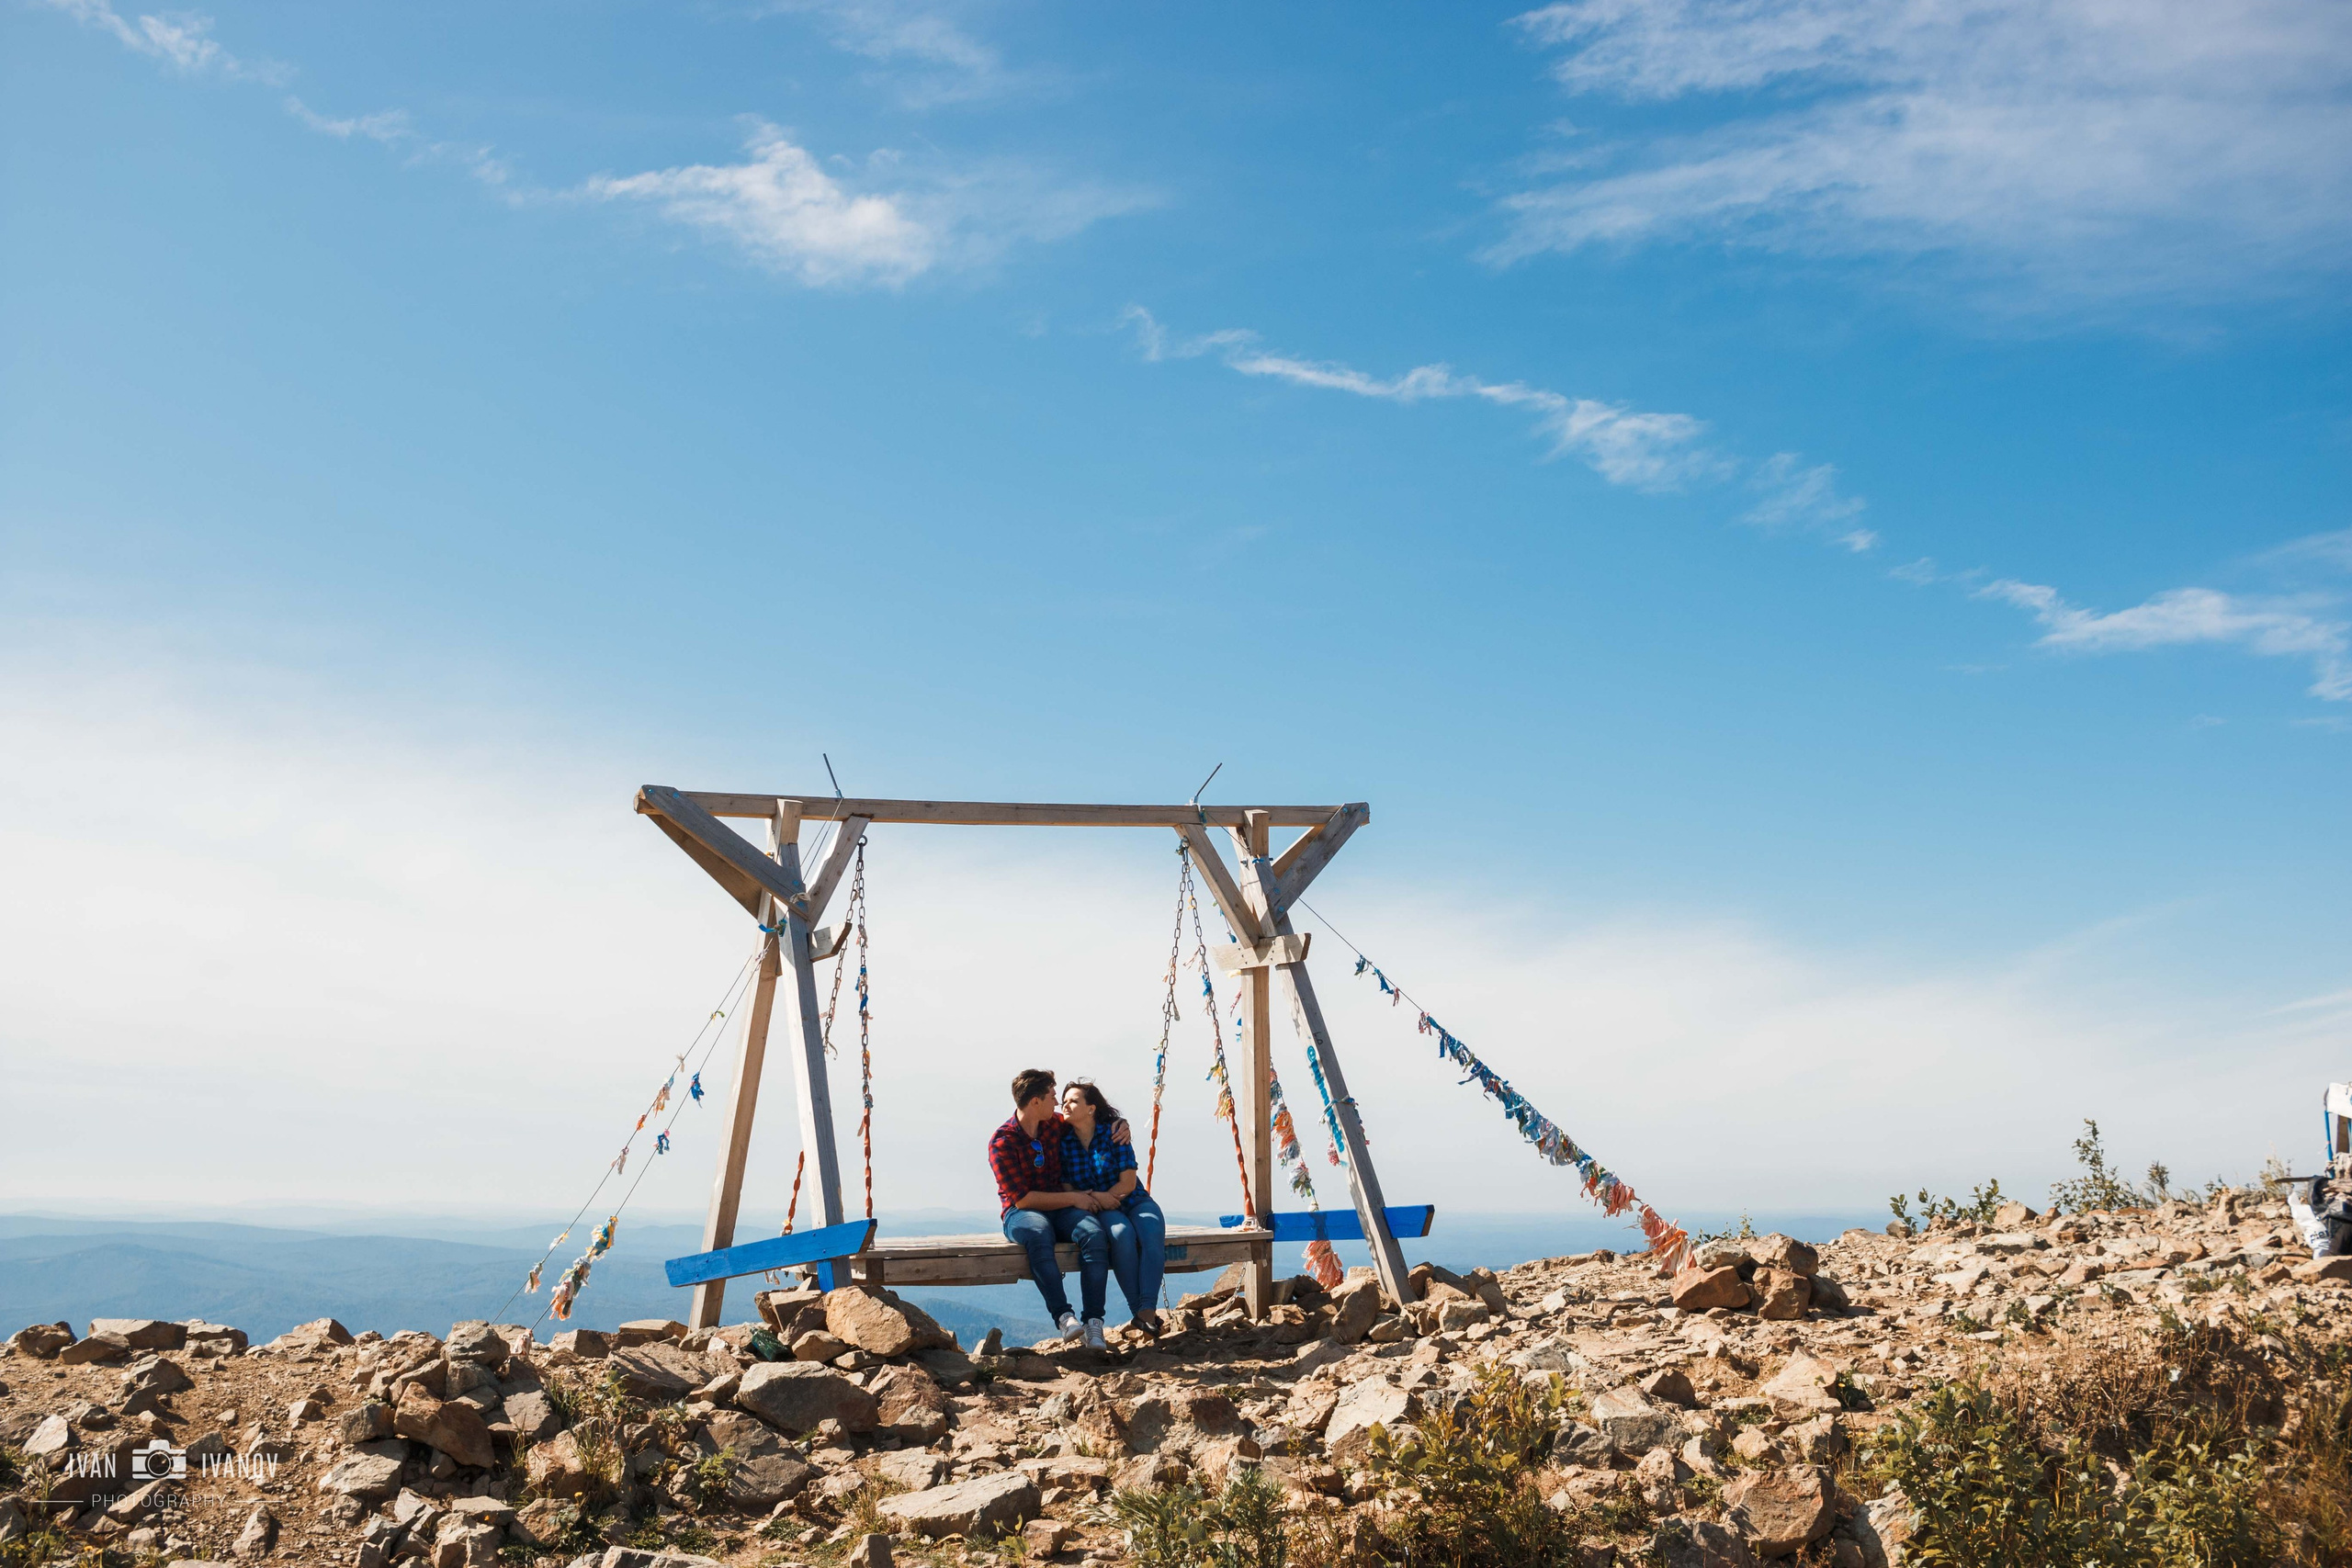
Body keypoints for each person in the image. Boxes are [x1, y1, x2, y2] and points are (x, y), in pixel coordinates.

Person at [985, 1067, 1130, 1351]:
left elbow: (1089, 1120)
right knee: (1039, 1232)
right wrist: (1075, 1199)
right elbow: (1023, 1199)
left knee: (1093, 1233)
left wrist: (1120, 1123)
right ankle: (1064, 1317)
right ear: (1035, 1101)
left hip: (1060, 1207)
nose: (1058, 1102)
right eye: (1052, 1095)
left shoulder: (1052, 1124)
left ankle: (1093, 1323)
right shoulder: (1002, 1142)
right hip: (1020, 1213)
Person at [1057, 1078, 1169, 1337]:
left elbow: (1128, 1181)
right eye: (1064, 1101)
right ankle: (1138, 1310)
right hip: (1100, 1207)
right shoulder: (1064, 1143)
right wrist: (1100, 1198)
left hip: (1134, 1199)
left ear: (1091, 1108)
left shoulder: (1114, 1132)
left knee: (1151, 1232)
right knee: (1121, 1235)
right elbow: (1066, 1188)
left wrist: (1108, 1196)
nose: (1066, 1105)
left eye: (1073, 1100)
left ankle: (1146, 1312)